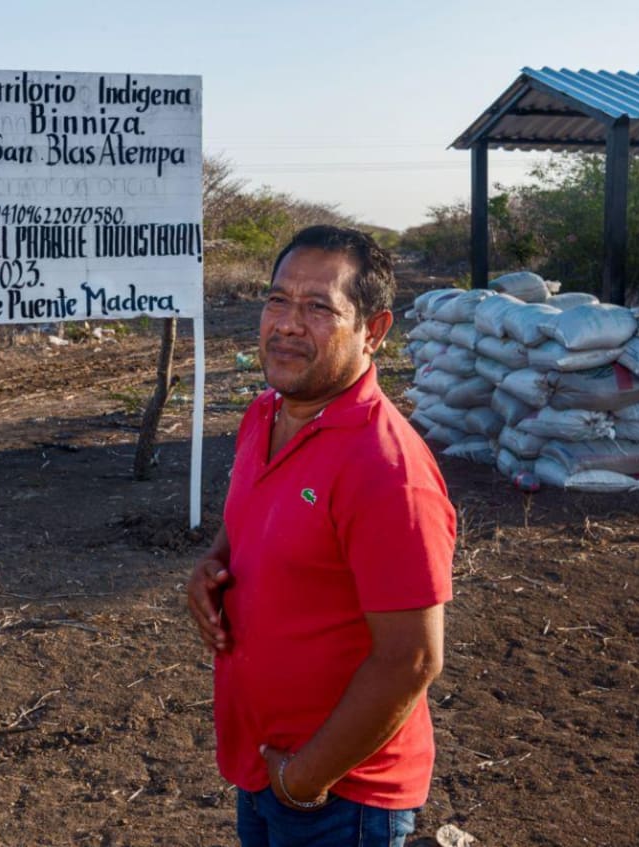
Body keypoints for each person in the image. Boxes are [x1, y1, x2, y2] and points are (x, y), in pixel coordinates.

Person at [187, 225, 456, 847]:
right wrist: (212, 564)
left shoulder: (386, 469)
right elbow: (247, 522)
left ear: (374, 331)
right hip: (263, 766)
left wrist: (305, 778)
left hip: (340, 796)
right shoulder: (265, 414)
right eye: (277, 300)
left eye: (317, 308)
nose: (286, 324)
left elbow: (413, 659)